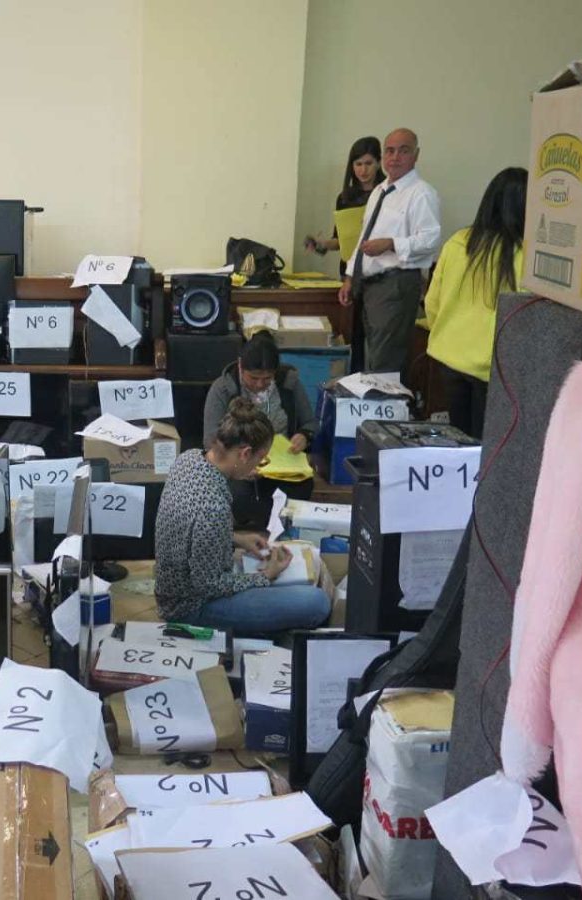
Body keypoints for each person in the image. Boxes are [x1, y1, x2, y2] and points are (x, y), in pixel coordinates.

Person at [155, 397, 331, 637]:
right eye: (262, 459)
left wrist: (236, 538)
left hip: (175, 586)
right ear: (245, 453)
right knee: (317, 602)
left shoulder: (189, 458)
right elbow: (208, 586)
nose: (259, 466)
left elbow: (190, 530)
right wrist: (265, 577)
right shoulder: (213, 509)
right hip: (191, 607)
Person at [420, 167, 527, 439]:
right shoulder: (524, 254)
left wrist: (442, 330)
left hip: (448, 356)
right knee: (484, 442)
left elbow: (432, 301)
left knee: (459, 436)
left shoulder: (458, 242)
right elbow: (525, 318)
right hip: (491, 366)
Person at [337, 128, 441, 380]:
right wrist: (350, 277)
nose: (395, 157)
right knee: (372, 358)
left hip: (396, 284)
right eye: (390, 151)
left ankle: (384, 403)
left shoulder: (421, 193)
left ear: (416, 155)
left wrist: (391, 244)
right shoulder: (379, 191)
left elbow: (431, 240)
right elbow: (363, 238)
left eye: (403, 151)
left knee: (385, 363)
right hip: (369, 285)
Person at [203, 333, 318, 528]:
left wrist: (304, 436)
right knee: (240, 494)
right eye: (253, 378)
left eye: (267, 378)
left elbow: (310, 423)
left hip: (282, 465)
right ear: (241, 366)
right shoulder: (223, 388)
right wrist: (240, 465)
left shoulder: (289, 384)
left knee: (302, 487)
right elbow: (210, 439)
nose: (259, 384)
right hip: (240, 464)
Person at [304, 136, 386, 277]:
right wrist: (322, 244)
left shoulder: (388, 194)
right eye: (358, 164)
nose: (363, 170)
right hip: (350, 271)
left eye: (368, 163)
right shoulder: (345, 198)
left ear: (378, 163)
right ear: (351, 166)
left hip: (381, 269)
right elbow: (340, 240)